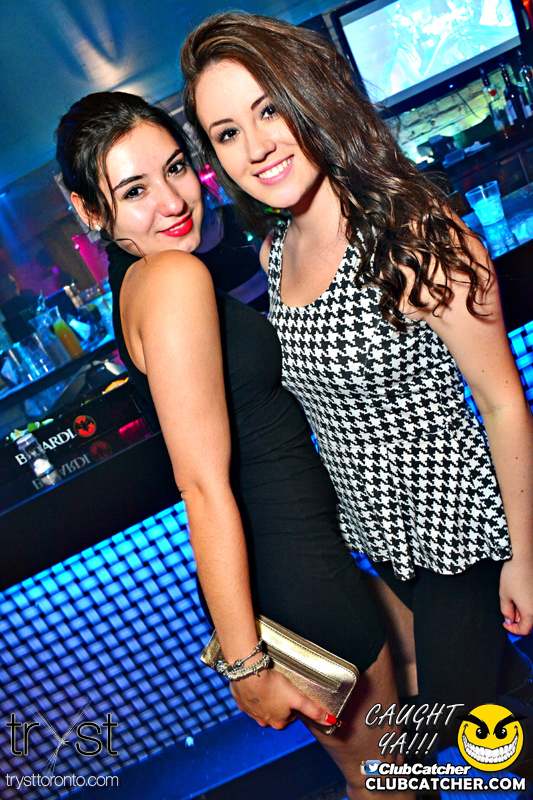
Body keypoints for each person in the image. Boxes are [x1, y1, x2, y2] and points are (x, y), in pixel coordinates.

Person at [181, 10, 533, 749]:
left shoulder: (410, 233)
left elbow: (502, 402)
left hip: (463, 536)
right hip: (381, 543)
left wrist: (525, 560)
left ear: (309, 96)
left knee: (440, 740)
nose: (256, 147)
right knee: (501, 704)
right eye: (227, 132)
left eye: (268, 110)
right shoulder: (277, 251)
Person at [55, 91, 406, 799]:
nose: (172, 201)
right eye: (133, 191)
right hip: (298, 574)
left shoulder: (145, 279)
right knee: (392, 783)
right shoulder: (173, 278)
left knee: (428, 736)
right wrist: (246, 666)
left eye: (175, 168)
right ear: (88, 210)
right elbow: (201, 484)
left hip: (305, 559)